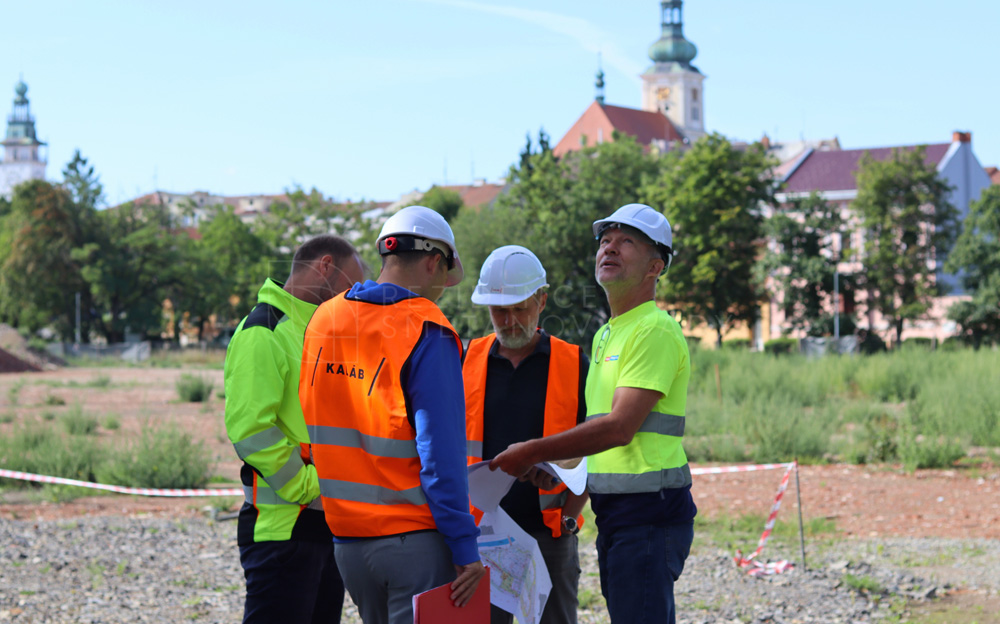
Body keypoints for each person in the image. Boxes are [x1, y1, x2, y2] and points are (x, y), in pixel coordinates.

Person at [490, 204, 696, 624]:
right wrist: (559, 470)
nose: (610, 248)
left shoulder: (653, 329)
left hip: (649, 514)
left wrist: (532, 451)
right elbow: (595, 433)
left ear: (655, 266)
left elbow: (619, 428)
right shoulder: (607, 334)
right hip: (619, 513)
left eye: (626, 241)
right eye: (605, 240)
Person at [299, 206, 486, 624]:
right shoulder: (426, 328)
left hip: (347, 542)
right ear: (434, 262)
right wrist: (464, 546)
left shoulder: (324, 319)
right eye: (444, 277)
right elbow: (440, 456)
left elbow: (310, 419)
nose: (441, 291)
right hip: (413, 543)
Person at [224, 234, 365, 624]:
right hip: (284, 529)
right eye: (349, 286)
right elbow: (251, 431)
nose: (352, 297)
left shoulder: (320, 332)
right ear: (325, 267)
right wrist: (311, 487)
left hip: (325, 523)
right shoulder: (264, 330)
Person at [463, 245, 589, 624]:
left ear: (542, 301)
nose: (510, 320)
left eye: (520, 308)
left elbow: (596, 445)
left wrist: (570, 517)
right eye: (500, 310)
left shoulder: (574, 363)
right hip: (481, 533)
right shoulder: (466, 359)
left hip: (548, 534)